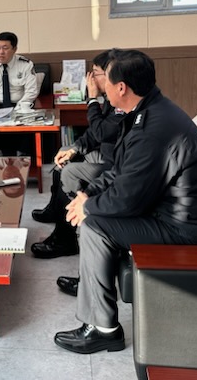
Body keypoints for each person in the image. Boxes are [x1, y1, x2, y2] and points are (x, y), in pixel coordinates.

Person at [53, 49, 197, 355]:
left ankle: (103, 330)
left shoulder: (152, 129)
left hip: (185, 229)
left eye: (106, 81)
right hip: (166, 211)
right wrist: (88, 194)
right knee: (93, 213)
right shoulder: (148, 110)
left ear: (121, 88)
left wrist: (88, 208)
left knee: (94, 226)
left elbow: (128, 198)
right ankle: (97, 311)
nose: (102, 87)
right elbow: (120, 169)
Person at [30, 50, 125, 260]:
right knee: (64, 159)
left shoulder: (120, 102)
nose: (91, 78)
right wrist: (73, 148)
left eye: (95, 73)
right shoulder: (109, 97)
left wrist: (92, 99)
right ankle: (56, 211)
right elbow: (93, 134)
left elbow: (101, 132)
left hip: (114, 164)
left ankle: (65, 239)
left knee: (70, 173)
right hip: (104, 155)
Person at [0, 31, 39, 110]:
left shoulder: (26, 65)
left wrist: (17, 110)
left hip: (20, 106)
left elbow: (31, 91)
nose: (1, 52)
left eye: (5, 48)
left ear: (14, 49)